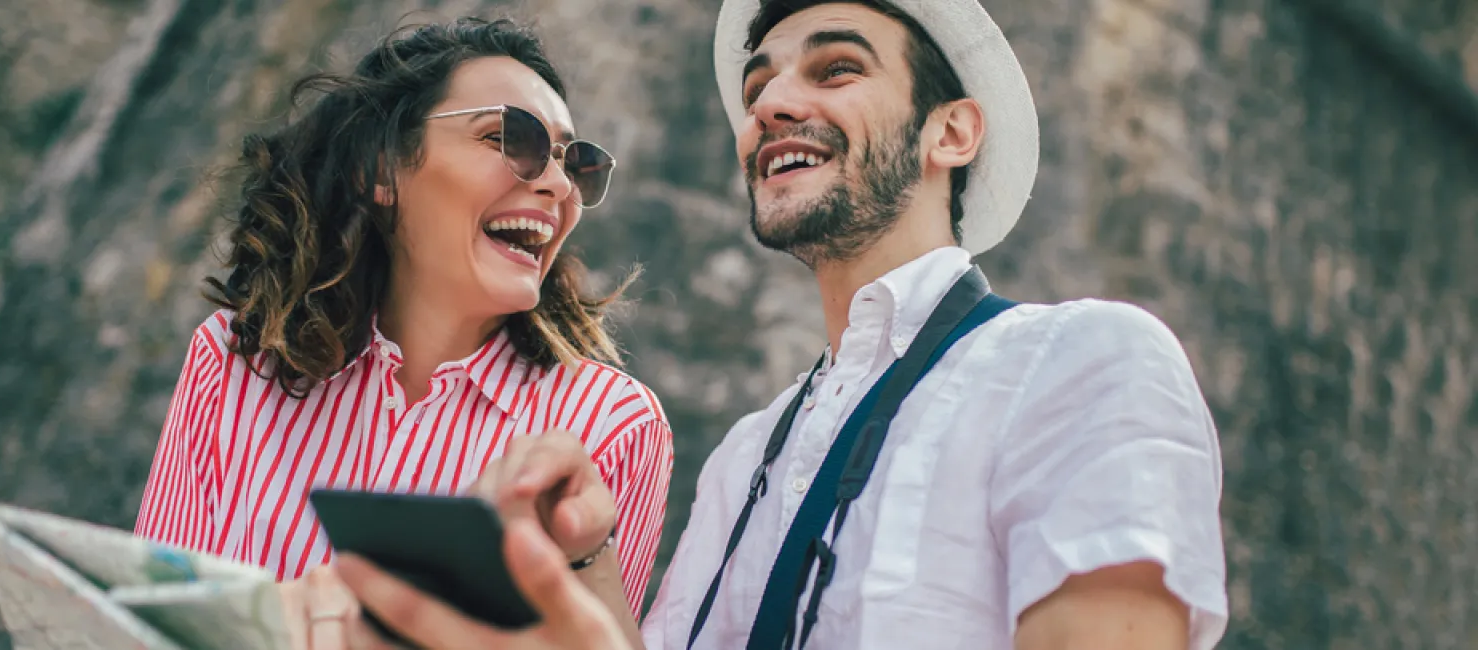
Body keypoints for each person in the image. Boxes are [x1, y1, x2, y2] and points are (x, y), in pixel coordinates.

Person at [324, 1, 1230, 649]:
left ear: (951, 132)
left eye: (837, 68)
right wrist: (589, 555)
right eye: (759, 84)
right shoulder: (745, 457)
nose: (769, 104)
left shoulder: (1083, 360)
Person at [129, 17, 674, 650]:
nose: (557, 184)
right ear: (382, 168)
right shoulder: (232, 360)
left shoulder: (614, 426)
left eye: (574, 163)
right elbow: (146, 626)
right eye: (511, 138)